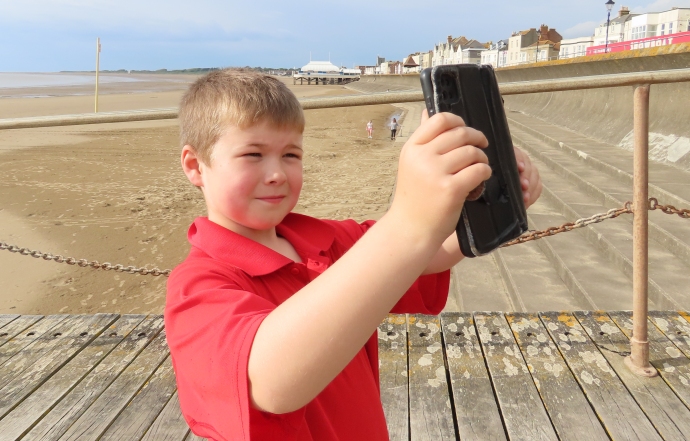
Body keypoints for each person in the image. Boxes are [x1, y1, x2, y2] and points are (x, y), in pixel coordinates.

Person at [165, 69, 542, 441]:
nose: (277, 173)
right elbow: (269, 382)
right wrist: (408, 222)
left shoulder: (327, 238)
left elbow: (428, 252)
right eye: (253, 154)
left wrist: (489, 196)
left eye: (291, 155)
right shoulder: (197, 286)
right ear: (196, 166)